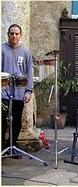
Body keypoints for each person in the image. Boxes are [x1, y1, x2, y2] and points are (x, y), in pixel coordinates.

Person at [1, 24, 33, 158]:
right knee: (2, 120)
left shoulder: (25, 52)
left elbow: (29, 73)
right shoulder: (1, 49)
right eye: (12, 33)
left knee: (17, 121)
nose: (14, 36)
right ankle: (2, 147)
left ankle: (12, 146)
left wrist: (29, 91)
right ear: (8, 34)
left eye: (17, 33)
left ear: (21, 35)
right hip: (3, 93)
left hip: (19, 94)